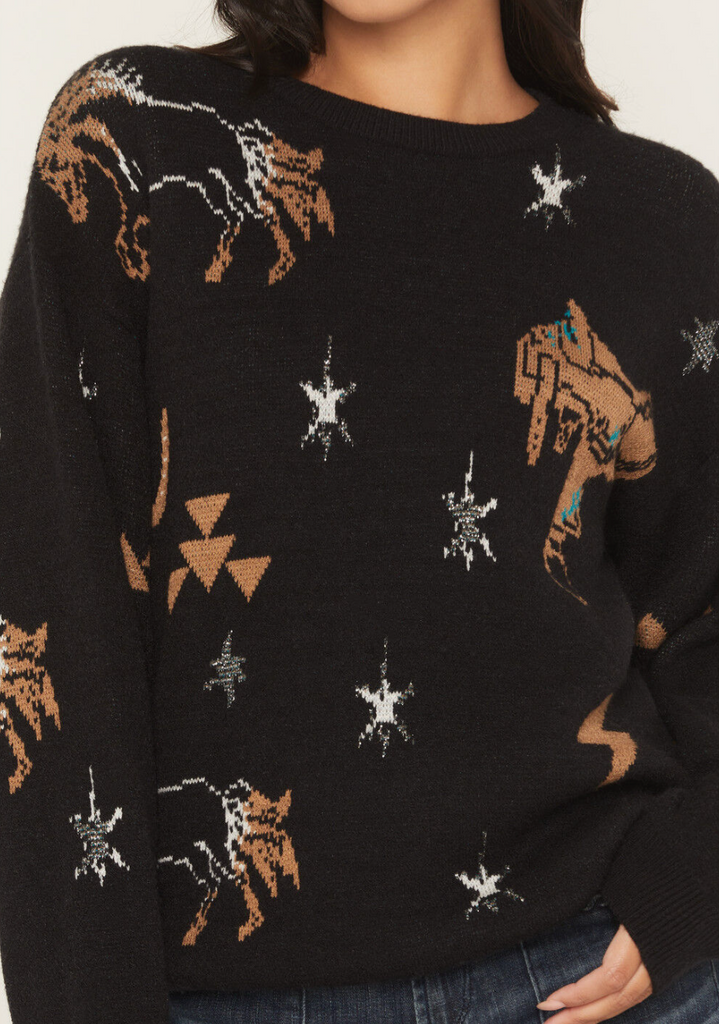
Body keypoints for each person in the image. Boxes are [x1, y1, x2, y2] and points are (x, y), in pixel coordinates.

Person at [0, 0, 717, 1022]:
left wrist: (690, 874)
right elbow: (49, 615)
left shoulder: (661, 219)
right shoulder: (139, 138)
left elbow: (698, 608)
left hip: (593, 969)